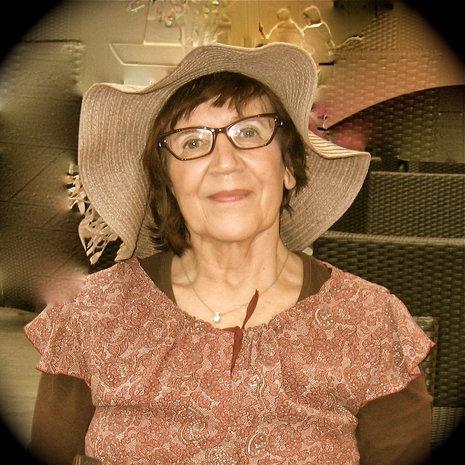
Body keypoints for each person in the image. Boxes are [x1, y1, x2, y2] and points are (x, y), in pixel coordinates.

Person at [24, 42, 434, 465]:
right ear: (168, 183)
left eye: (249, 133)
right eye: (191, 142)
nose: (225, 162)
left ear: (288, 168)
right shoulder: (91, 314)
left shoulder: (369, 323)